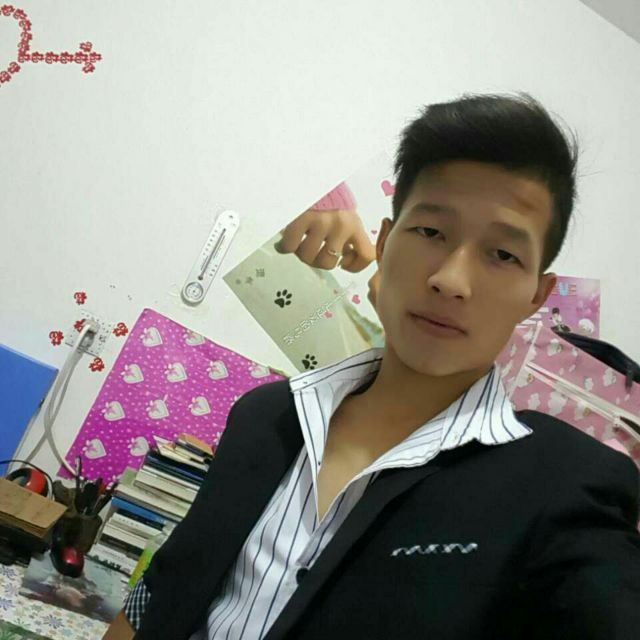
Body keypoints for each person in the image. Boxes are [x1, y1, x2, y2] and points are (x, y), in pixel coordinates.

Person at [104, 92, 640, 640]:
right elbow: (162, 594)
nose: (450, 281)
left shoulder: (562, 486)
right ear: (383, 243)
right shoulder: (264, 417)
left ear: (536, 296)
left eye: (503, 254)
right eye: (431, 232)